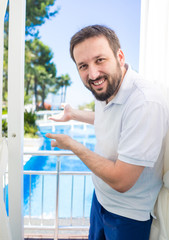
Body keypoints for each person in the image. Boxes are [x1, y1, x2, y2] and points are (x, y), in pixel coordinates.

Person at [46, 25, 169, 240]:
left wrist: (72, 145)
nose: (93, 74)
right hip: (100, 201)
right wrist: (74, 114)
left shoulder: (144, 102)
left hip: (127, 216)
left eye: (99, 60)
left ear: (119, 56)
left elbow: (122, 181)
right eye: (83, 65)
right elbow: (113, 119)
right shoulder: (107, 87)